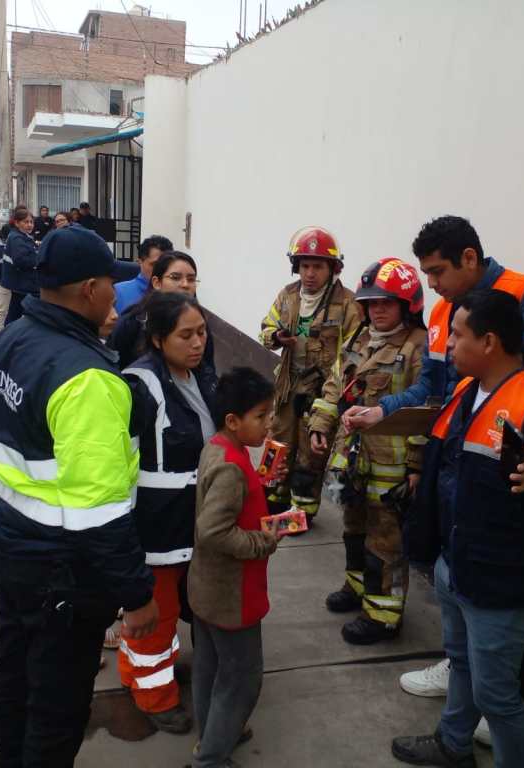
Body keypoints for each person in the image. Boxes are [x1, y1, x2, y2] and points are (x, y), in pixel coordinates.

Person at [345, 216, 524, 715]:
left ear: (469, 259)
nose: (431, 285)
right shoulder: (444, 311)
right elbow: (433, 388)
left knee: (509, 590)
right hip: (456, 462)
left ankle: (508, 702)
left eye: (437, 272)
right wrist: (384, 411)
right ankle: (462, 673)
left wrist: (503, 431)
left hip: (508, 467)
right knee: (457, 576)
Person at [0, 224, 159, 767]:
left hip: (13, 543)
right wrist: (137, 594)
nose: (115, 293)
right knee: (56, 705)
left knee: (13, 673)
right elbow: (99, 511)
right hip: (62, 568)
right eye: (110, 282)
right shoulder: (85, 379)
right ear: (89, 289)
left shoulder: (10, 339)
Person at [392, 290, 524, 768]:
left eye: (457, 335)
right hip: (457, 563)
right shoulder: (467, 390)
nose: (448, 344)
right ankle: (453, 745)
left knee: (497, 697)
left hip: (502, 580)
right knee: (460, 663)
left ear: (490, 342)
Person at [307, 258, 428, 645]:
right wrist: (320, 426)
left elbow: (425, 411)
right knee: (354, 528)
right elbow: (334, 386)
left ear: (407, 305)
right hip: (353, 460)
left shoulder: (417, 347)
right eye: (371, 303)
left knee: (386, 541)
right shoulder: (358, 340)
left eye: (386, 303)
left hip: (392, 467)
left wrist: (416, 465)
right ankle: (356, 587)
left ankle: (383, 616)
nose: (377, 310)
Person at [116, 291, 218, 734]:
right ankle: (154, 697)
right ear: (158, 339)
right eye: (186, 335)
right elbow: (121, 465)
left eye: (202, 333)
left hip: (192, 523)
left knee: (178, 607)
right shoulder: (138, 387)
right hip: (155, 529)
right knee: (156, 616)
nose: (197, 343)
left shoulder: (199, 376)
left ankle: (141, 673)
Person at [187, 367, 281, 768]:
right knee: (242, 677)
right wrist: (263, 541)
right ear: (232, 420)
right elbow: (213, 531)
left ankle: (215, 731)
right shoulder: (229, 465)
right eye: (260, 416)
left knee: (209, 667)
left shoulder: (219, 447)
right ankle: (211, 757)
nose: (268, 423)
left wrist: (260, 482)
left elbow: (230, 500)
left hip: (207, 589)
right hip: (232, 595)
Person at [259, 226, 361, 522]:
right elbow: (265, 328)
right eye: (305, 266)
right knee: (277, 443)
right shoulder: (288, 296)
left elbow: (352, 355)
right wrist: (276, 336)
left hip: (320, 392)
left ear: (333, 268)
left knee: (310, 453)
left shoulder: (349, 305)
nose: (310, 273)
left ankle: (301, 511)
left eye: (318, 266)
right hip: (287, 387)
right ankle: (270, 500)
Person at [111, 251, 216, 373]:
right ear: (157, 283)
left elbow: (208, 370)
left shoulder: (198, 323)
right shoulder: (132, 322)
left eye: (191, 279)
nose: (185, 285)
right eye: (175, 278)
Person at [114, 235, 174, 315]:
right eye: (155, 265)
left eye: (167, 264)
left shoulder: (177, 292)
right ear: (140, 262)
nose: (161, 269)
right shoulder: (117, 292)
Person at [2, 208, 39, 325]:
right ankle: (9, 334)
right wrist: (39, 260)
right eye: (26, 222)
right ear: (17, 223)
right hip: (21, 284)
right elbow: (21, 260)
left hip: (21, 283)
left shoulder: (23, 236)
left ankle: (9, 334)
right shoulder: (17, 238)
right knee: (17, 316)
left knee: (15, 315)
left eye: (31, 222)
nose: (29, 225)